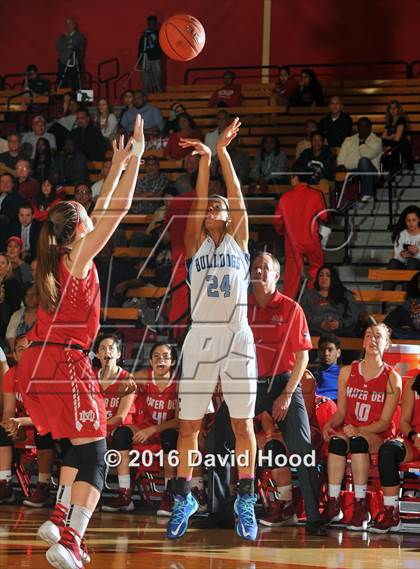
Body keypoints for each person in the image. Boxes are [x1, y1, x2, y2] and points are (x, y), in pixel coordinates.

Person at [17, 115, 145, 568]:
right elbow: (121, 206)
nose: (94, 209)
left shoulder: (59, 254)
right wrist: (140, 159)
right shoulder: (79, 255)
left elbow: (106, 199)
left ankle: (58, 515)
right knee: (95, 449)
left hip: (37, 363)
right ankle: (72, 539)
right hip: (63, 363)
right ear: (79, 228)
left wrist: (118, 162)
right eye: (86, 211)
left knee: (75, 442)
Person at [166, 119, 258, 541]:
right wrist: (203, 162)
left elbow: (235, 197)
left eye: (219, 207)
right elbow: (202, 197)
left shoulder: (239, 239)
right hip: (201, 335)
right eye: (210, 207)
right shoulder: (193, 242)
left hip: (237, 335)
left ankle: (246, 497)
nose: (214, 208)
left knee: (243, 426)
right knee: (188, 427)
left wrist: (221, 153)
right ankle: (184, 494)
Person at [248, 252, 326, 535]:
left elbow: (303, 358)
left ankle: (314, 517)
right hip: (251, 383)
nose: (259, 271)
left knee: (303, 449)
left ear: (276, 275)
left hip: (284, 383)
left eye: (265, 267)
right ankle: (222, 509)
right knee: (220, 437)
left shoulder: (292, 308)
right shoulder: (242, 307)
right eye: (255, 267)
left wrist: (286, 393)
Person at [322, 324, 401, 530]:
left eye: (378, 336)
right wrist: (329, 425)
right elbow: (340, 413)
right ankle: (334, 503)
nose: (373, 339)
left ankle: (360, 507)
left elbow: (384, 422)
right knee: (337, 442)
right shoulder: (347, 372)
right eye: (368, 335)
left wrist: (360, 430)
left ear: (387, 343)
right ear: (363, 342)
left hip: (377, 433)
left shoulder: (392, 378)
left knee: (357, 442)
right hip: (351, 430)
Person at [103, 342, 179, 514]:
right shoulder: (144, 376)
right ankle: (125, 495)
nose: (160, 360)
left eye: (165, 357)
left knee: (169, 436)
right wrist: (127, 386)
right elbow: (125, 383)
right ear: (151, 362)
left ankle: (169, 495)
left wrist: (152, 430)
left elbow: (179, 421)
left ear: (173, 362)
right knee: (121, 434)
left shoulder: (179, 383)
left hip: (166, 431)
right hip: (145, 429)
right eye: (156, 357)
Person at [0, 335, 56, 508]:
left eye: (29, 348)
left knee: (43, 432)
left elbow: (49, 416)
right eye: (20, 350)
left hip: (48, 424)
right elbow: (9, 409)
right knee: (1, 429)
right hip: (23, 422)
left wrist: (21, 422)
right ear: (14, 356)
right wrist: (10, 424)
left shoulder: (47, 374)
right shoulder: (11, 374)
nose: (25, 353)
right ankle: (5, 483)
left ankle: (43, 485)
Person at [370, 370, 420, 533]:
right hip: (415, 442)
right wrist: (414, 437)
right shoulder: (414, 383)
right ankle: (391, 513)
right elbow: (404, 422)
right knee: (388, 451)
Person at [274, 171, 327, 299]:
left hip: (292, 242)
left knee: (292, 277)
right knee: (316, 268)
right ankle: (312, 298)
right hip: (311, 239)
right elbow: (324, 216)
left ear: (295, 177)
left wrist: (282, 232)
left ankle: (288, 307)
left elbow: (277, 221)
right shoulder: (316, 194)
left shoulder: (285, 197)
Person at [301, 265, 359, 336]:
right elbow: (304, 317)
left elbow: (353, 317)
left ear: (333, 278)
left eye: (328, 276)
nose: (324, 278)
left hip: (341, 333)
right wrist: (320, 323)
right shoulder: (309, 295)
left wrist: (339, 324)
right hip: (315, 332)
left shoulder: (345, 295)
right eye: (321, 275)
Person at [337, 117, 383, 202]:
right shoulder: (348, 140)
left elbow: (367, 155)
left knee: (363, 161)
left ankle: (368, 194)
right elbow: (341, 157)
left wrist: (361, 143)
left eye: (366, 126)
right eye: (361, 126)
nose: (363, 128)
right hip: (351, 171)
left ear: (370, 127)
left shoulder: (377, 141)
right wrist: (341, 165)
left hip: (371, 173)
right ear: (357, 127)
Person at [384, 205, 420, 284]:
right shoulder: (402, 234)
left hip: (416, 265)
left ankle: (408, 294)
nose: (411, 223)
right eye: (408, 220)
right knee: (392, 262)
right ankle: (387, 294)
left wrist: (417, 252)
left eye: (414, 220)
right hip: (406, 265)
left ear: (419, 220)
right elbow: (396, 255)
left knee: (412, 262)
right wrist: (401, 254)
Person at [384, 272, 420, 339]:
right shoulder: (411, 302)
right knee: (389, 329)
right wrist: (411, 313)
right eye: (419, 282)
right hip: (411, 333)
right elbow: (388, 325)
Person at [6, 284, 38, 352]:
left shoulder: (45, 315)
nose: (30, 298)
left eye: (33, 294)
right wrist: (15, 353)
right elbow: (10, 336)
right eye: (27, 295)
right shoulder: (17, 315)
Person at [0, 253, 24, 347]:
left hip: (7, 323)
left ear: (8, 267)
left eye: (2, 263)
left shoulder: (13, 284)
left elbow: (15, 309)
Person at [382, 100, 412, 172]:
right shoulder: (390, 121)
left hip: (403, 145)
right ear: (388, 110)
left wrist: (390, 137)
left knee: (394, 147)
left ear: (398, 109)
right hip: (394, 144)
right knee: (379, 143)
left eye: (395, 108)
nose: (392, 110)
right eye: (391, 108)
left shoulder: (401, 120)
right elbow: (383, 137)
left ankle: (395, 169)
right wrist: (392, 136)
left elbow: (397, 138)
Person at [56, 18, 85, 89]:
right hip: (63, 63)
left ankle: (76, 99)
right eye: (66, 24)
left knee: (76, 84)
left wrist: (67, 38)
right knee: (62, 83)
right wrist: (67, 43)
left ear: (74, 25)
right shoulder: (62, 36)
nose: (67, 26)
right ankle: (63, 99)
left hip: (75, 64)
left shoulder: (79, 35)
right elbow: (58, 46)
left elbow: (73, 44)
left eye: (69, 24)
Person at [137, 15, 162, 93]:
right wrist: (139, 61)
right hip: (145, 59)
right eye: (149, 24)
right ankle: (146, 97)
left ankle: (159, 97)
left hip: (155, 59)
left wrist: (150, 39)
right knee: (145, 80)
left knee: (157, 80)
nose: (151, 26)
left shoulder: (160, 35)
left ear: (155, 25)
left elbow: (160, 47)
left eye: (152, 24)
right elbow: (140, 49)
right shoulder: (143, 36)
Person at [314, 334, 341, 402]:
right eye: (322, 349)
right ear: (318, 352)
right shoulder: (310, 373)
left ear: (338, 353)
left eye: (330, 350)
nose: (326, 353)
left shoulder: (344, 374)